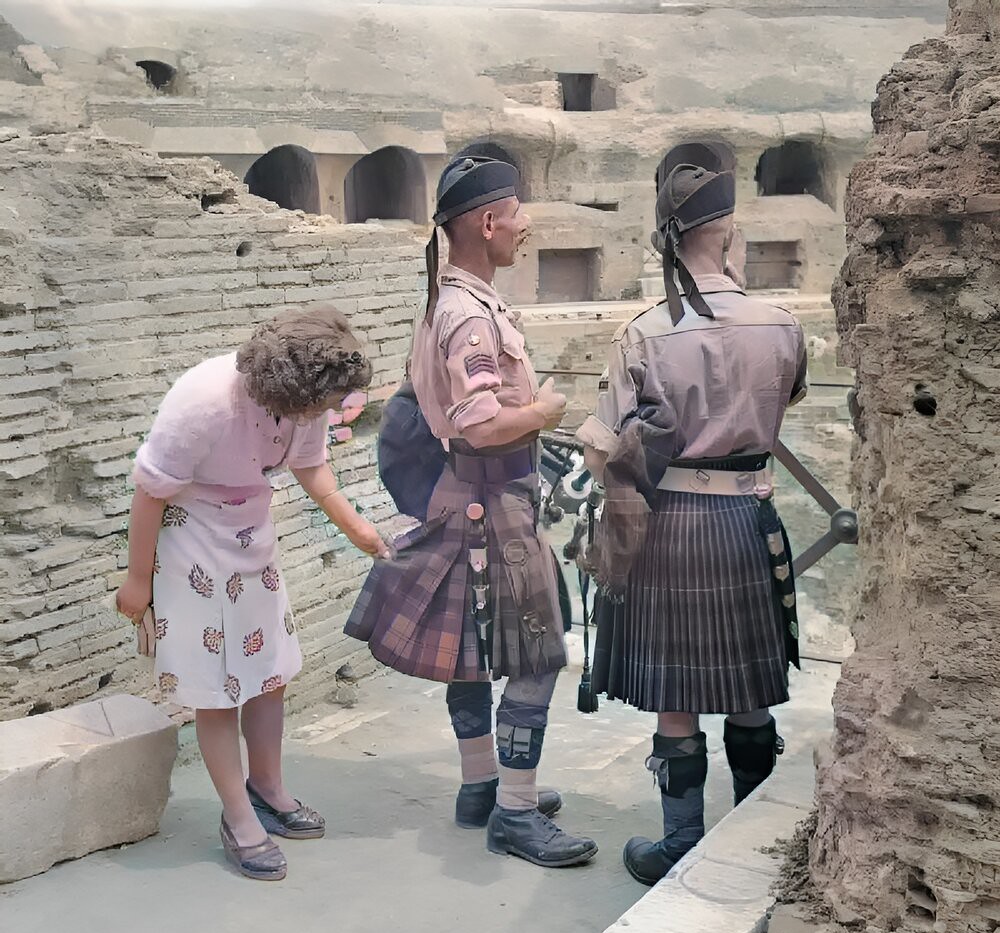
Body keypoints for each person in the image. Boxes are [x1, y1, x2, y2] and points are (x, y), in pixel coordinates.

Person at [346, 155, 597, 868]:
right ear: (487, 223)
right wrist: (545, 408)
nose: (522, 228)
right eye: (515, 215)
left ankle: (480, 784)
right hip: (492, 495)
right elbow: (481, 423)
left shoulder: (445, 303)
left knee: (471, 650)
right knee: (535, 653)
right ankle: (515, 812)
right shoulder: (470, 316)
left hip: (467, 496)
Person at [576, 142, 807, 885]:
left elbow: (599, 450)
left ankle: (680, 846)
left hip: (669, 524)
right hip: (749, 523)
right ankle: (751, 842)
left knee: (677, 699)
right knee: (749, 692)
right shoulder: (783, 323)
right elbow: (784, 404)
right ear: (730, 233)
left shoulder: (645, 330)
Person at [115, 305, 390, 881]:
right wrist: (138, 580)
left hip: (250, 535)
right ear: (284, 389)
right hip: (190, 538)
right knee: (217, 689)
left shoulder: (311, 392)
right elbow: (149, 493)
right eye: (318, 407)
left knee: (266, 674)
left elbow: (311, 465)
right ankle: (239, 817)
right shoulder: (204, 401)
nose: (322, 414)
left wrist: (354, 525)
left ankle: (267, 786)